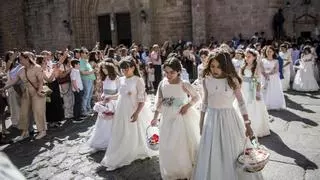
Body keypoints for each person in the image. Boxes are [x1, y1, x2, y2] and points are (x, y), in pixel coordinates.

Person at [193, 49, 263, 180]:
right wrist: (201, 120)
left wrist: (247, 124)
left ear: (225, 66)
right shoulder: (206, 80)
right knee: (212, 151)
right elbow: (205, 101)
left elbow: (241, 103)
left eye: (219, 67)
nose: (215, 69)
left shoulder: (232, 81)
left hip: (229, 119)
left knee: (231, 151)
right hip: (211, 119)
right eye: (212, 66)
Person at [101, 57, 157, 171]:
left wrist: (137, 113)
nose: (124, 71)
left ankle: (137, 148)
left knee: (136, 130)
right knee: (123, 130)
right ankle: (124, 149)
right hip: (121, 109)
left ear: (132, 67)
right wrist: (110, 97)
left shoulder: (138, 80)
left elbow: (142, 100)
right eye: (122, 69)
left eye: (126, 69)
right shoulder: (121, 79)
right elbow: (120, 94)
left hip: (134, 109)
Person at [150, 57, 200, 179]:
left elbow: (196, 97)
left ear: (178, 71)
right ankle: (171, 168)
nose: (168, 75)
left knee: (180, 143)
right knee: (167, 143)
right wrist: (155, 117)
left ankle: (184, 168)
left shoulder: (184, 84)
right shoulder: (162, 83)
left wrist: (187, 106)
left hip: (181, 116)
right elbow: (159, 102)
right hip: (167, 116)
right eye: (166, 72)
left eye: (172, 72)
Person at [2, 52, 47, 140]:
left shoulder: (37, 67)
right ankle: (25, 132)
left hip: (37, 92)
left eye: (21, 59)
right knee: (24, 112)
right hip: (26, 92)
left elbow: (41, 81)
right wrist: (4, 88)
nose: (20, 61)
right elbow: (14, 80)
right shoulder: (21, 70)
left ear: (27, 59)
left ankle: (42, 131)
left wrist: (38, 91)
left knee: (38, 111)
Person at [87, 62, 119, 152]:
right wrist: (103, 95)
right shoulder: (104, 79)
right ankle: (99, 143)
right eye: (102, 69)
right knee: (101, 123)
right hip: (105, 102)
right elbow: (104, 90)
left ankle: (111, 142)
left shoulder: (116, 78)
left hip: (113, 103)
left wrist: (111, 97)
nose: (104, 70)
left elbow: (120, 93)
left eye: (105, 68)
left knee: (111, 124)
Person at [239, 49, 270, 137]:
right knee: (243, 105)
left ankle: (255, 127)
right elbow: (240, 78)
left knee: (253, 106)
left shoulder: (256, 67)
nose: (246, 58)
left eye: (249, 56)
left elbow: (257, 81)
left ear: (254, 57)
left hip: (251, 89)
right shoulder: (243, 66)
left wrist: (257, 93)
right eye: (246, 56)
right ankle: (243, 127)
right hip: (243, 88)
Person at [261, 46, 286, 110]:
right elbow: (261, 69)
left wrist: (269, 74)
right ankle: (264, 104)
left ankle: (272, 104)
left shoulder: (276, 61)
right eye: (267, 51)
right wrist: (265, 74)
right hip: (264, 76)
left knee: (272, 90)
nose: (269, 53)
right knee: (264, 89)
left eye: (270, 51)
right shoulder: (262, 60)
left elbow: (276, 70)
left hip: (273, 77)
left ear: (273, 52)